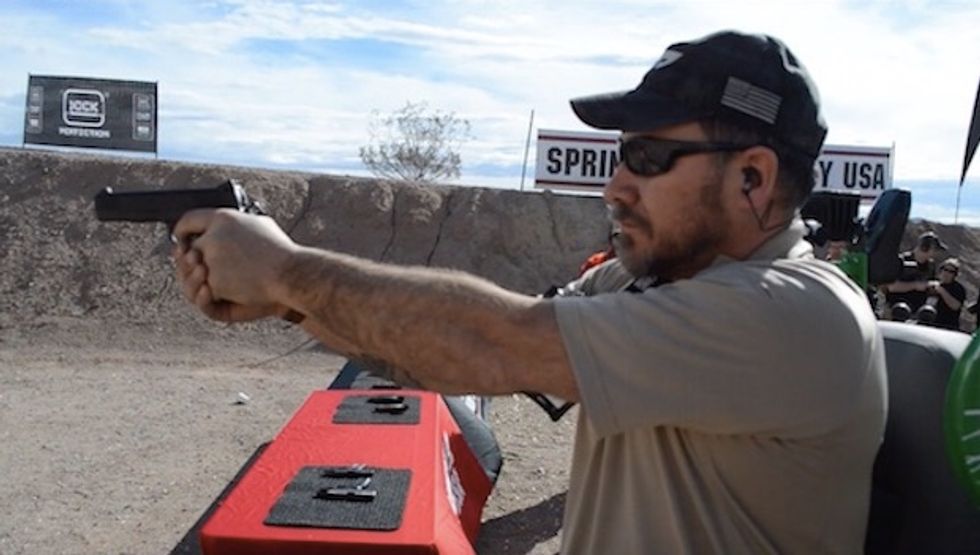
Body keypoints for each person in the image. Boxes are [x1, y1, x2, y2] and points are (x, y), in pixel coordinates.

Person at [173, 30, 885, 554]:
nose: (615, 186)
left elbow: (497, 340)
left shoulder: (796, 314)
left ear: (753, 178)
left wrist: (285, 271)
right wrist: (286, 301)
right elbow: (457, 355)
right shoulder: (645, 281)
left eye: (647, 158)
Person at [881, 231, 947, 315]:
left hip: (918, 311)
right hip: (895, 308)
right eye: (934, 250)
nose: (935, 253)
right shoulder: (901, 261)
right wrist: (915, 285)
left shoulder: (930, 266)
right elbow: (891, 287)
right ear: (925, 248)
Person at [924, 257, 966, 331]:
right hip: (928, 324)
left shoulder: (958, 288)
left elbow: (956, 306)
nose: (947, 273)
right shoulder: (933, 283)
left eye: (951, 272)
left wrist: (942, 291)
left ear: (955, 275)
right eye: (945, 269)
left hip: (947, 327)